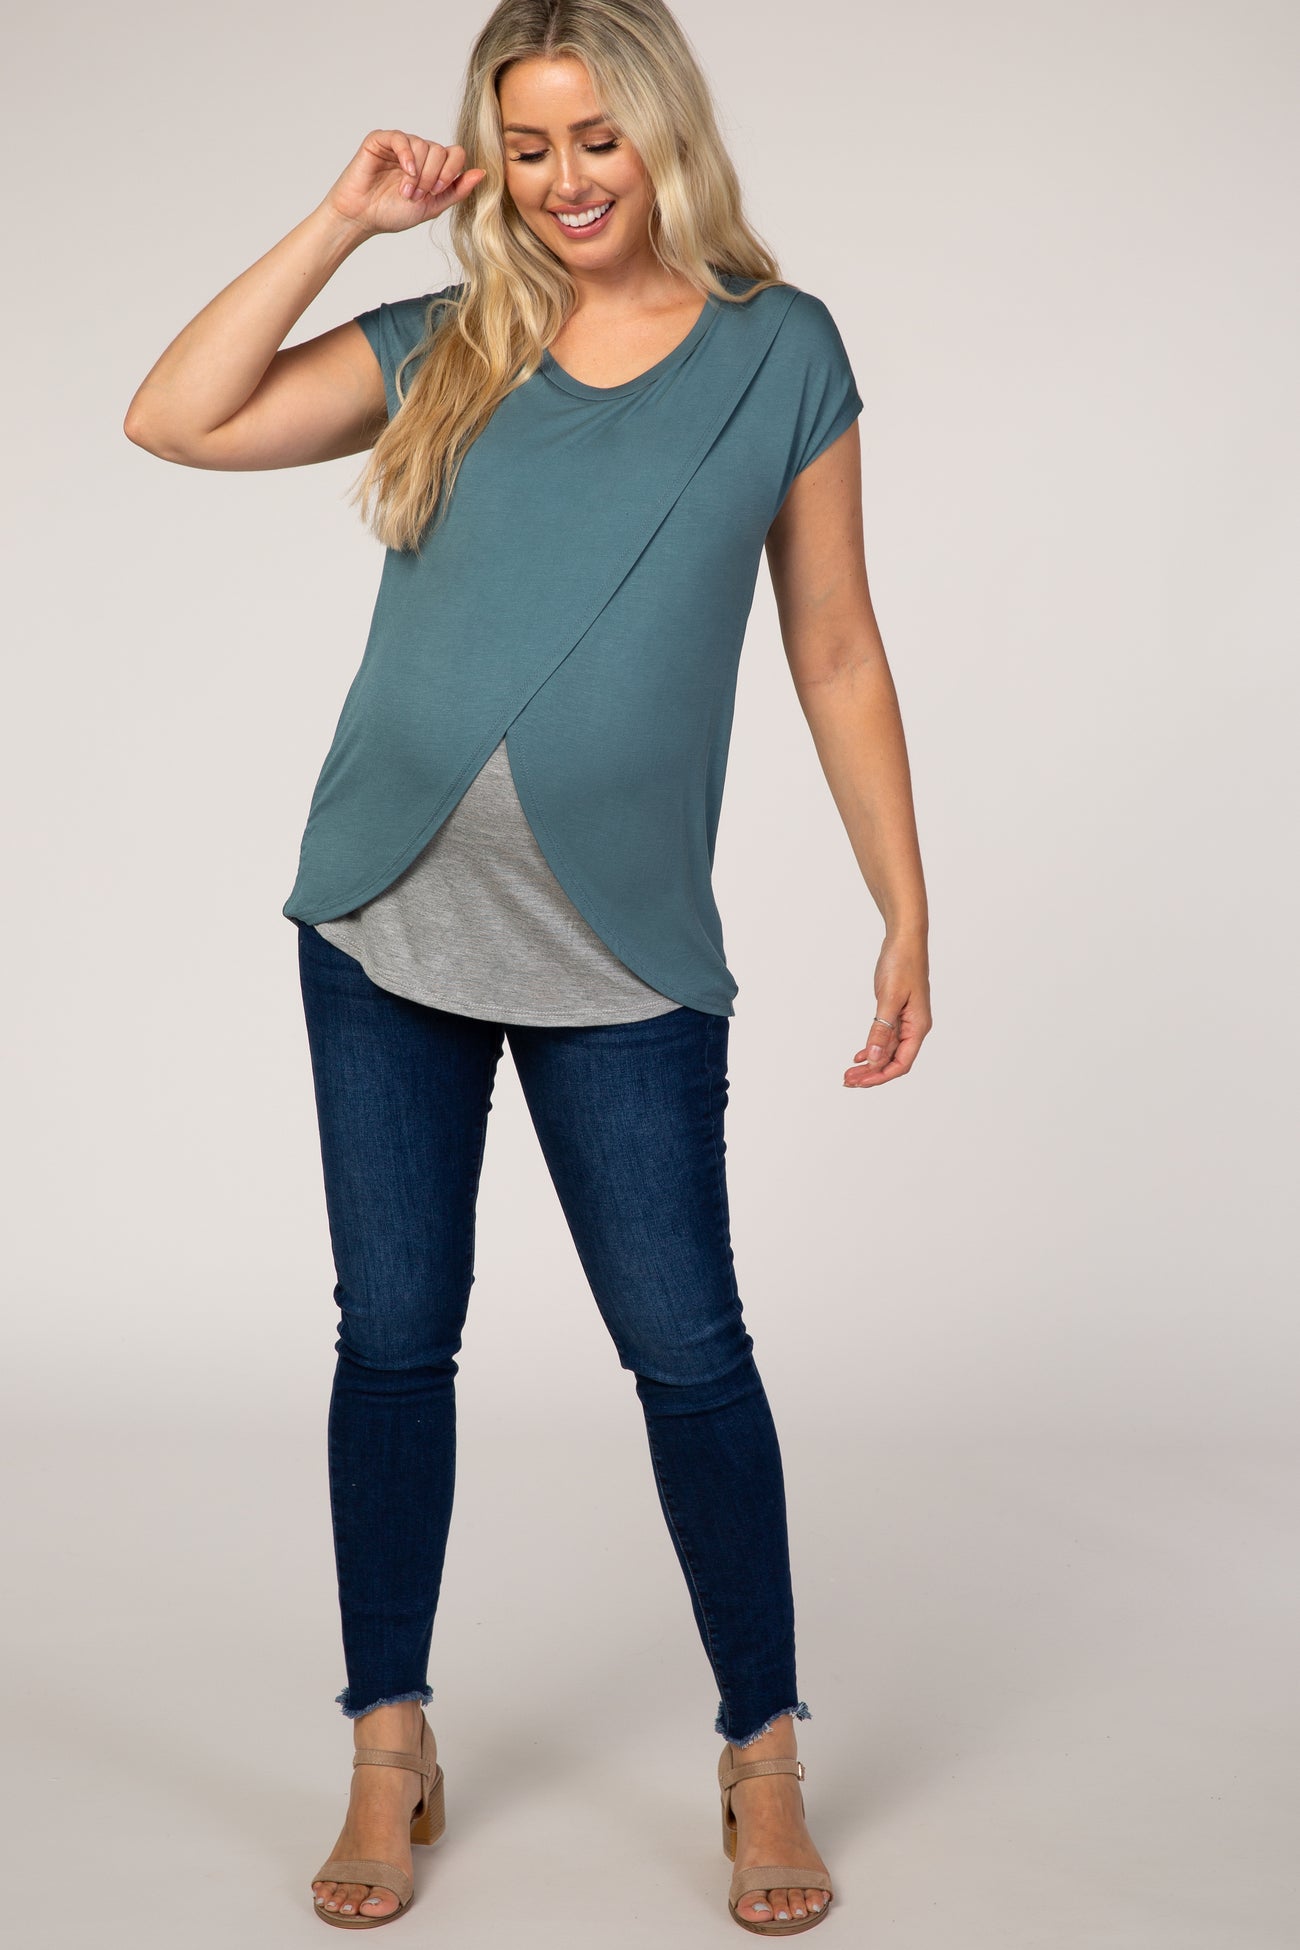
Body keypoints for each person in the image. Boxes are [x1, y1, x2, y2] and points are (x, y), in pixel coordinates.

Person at [124, 0, 931, 1934]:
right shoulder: (448, 340)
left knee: (688, 1350)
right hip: (384, 920)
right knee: (394, 1339)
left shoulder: (781, 354)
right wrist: (344, 220)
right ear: (490, 155)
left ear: (665, 132)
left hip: (620, 943)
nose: (567, 179)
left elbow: (834, 645)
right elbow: (175, 418)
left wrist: (904, 902)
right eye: (530, 141)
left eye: (598, 136)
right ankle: (386, 1740)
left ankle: (762, 1751)